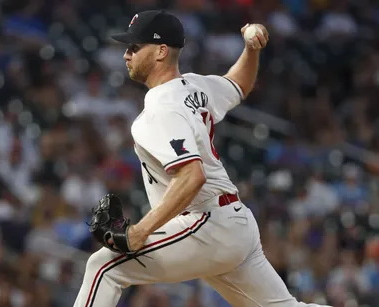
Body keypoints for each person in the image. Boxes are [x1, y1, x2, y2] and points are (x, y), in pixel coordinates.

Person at [73, 10, 331, 307]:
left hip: (206, 224)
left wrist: (140, 232)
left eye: (134, 47)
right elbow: (238, 85)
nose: (125, 55)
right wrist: (251, 50)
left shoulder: (161, 109)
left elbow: (192, 176)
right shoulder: (193, 86)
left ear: (160, 51)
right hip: (233, 222)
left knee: (103, 267)